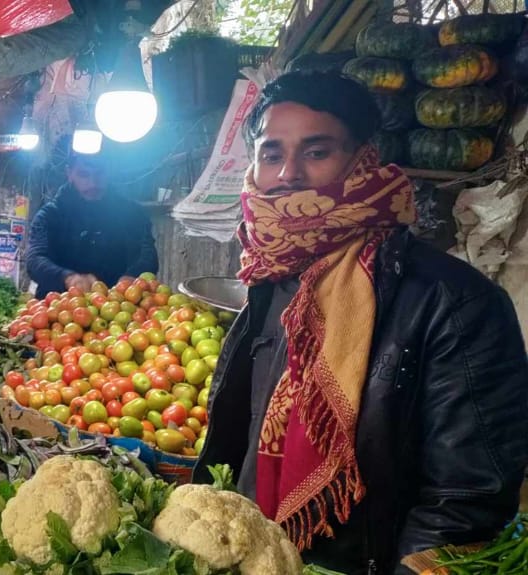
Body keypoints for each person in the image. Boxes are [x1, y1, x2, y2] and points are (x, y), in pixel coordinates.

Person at [194, 70, 528, 574]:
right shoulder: (271, 278)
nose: (288, 174)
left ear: (363, 161)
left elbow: (465, 501)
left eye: (316, 151)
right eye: (271, 154)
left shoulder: (454, 302)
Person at [26, 153, 158, 298]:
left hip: (120, 307)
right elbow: (35, 260)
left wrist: (131, 277)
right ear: (69, 173)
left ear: (109, 171)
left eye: (99, 173)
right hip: (55, 310)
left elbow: (148, 256)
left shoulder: (132, 213)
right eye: (84, 175)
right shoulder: (50, 215)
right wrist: (68, 278)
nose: (93, 183)